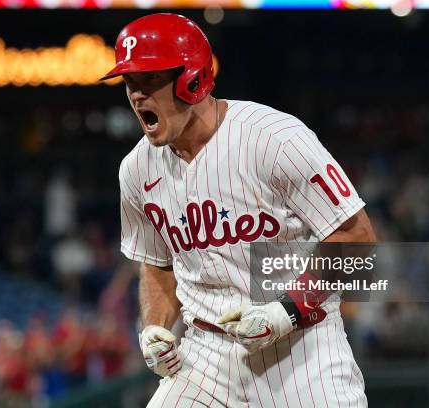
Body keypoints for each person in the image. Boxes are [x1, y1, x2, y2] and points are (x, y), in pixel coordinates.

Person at [103, 13, 376, 407]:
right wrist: (154, 329)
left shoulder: (275, 139)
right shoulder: (135, 170)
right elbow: (157, 263)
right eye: (130, 83)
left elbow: (357, 239)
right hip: (206, 356)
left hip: (301, 348)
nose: (137, 96)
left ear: (193, 79)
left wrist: (287, 312)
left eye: (149, 80)